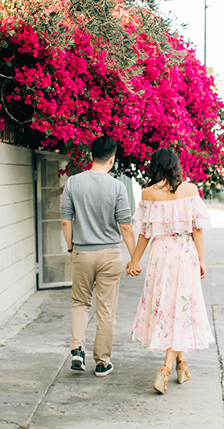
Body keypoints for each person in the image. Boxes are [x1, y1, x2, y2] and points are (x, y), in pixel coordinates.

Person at [127, 148, 214, 394]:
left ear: (154, 166)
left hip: (159, 255)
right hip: (184, 254)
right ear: (176, 166)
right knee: (181, 308)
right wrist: (202, 260)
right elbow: (197, 229)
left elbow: (144, 232)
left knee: (168, 307)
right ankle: (166, 368)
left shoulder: (148, 193)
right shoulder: (190, 190)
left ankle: (182, 363)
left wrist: (135, 260)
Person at [60, 136, 137, 377]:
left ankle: (77, 351)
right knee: (106, 310)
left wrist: (72, 248)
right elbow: (125, 226)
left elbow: (65, 221)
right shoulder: (117, 187)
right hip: (110, 255)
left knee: (80, 303)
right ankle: (102, 362)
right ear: (112, 160)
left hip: (82, 251)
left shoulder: (73, 183)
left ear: (90, 155)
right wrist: (135, 258)